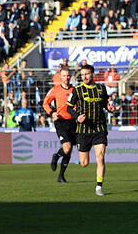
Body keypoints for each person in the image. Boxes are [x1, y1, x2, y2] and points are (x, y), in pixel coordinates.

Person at [66, 64, 116, 196]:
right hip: (83, 130)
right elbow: (69, 107)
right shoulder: (77, 90)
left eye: (87, 74)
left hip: (99, 128)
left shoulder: (101, 88)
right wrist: (77, 117)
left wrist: (109, 108)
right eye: (82, 75)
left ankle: (99, 187)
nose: (84, 77)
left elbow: (105, 104)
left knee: (100, 157)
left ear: (92, 74)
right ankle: (83, 161)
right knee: (84, 163)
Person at [43, 66, 76, 183]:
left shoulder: (75, 90)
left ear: (70, 77)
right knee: (67, 148)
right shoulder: (55, 89)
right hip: (60, 121)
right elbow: (45, 103)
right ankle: (56, 156)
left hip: (73, 122)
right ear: (60, 77)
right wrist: (52, 113)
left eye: (68, 76)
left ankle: (61, 176)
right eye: (64, 76)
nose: (66, 78)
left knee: (69, 150)